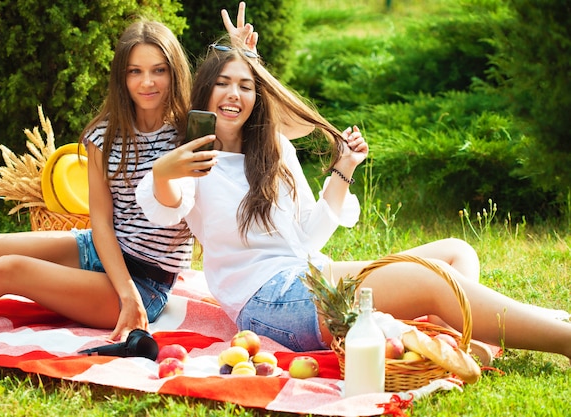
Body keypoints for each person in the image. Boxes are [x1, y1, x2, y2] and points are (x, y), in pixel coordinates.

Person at [135, 42, 571, 364]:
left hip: (310, 276)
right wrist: (164, 173)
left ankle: (466, 341)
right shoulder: (190, 159)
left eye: (246, 86)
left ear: (257, 97)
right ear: (205, 91)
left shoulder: (275, 150)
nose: (234, 94)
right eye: (223, 84)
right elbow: (167, 204)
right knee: (432, 281)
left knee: (458, 250)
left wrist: (344, 166)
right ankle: (561, 339)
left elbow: (307, 235)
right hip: (267, 303)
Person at [0, 3, 257, 342]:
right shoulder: (105, 134)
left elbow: (247, 107)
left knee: (8, 269)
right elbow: (102, 223)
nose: (147, 82)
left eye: (159, 70)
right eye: (135, 71)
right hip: (98, 249)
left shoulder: (192, 132)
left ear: (174, 72)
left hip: (144, 285)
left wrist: (245, 60)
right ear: (121, 76)